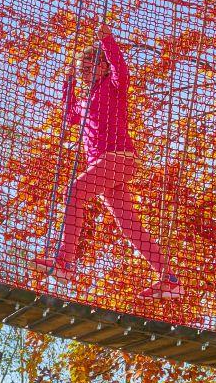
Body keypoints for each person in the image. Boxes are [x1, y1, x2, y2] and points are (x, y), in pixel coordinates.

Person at [34, 24, 182, 299]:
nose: (85, 73)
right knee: (129, 226)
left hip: (117, 158)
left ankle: (65, 260)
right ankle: (169, 278)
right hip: (104, 166)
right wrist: (68, 83)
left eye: (89, 68)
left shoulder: (113, 86)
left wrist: (107, 40)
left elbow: (121, 70)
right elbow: (70, 116)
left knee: (74, 192)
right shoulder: (85, 100)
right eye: (81, 70)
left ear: (102, 67)